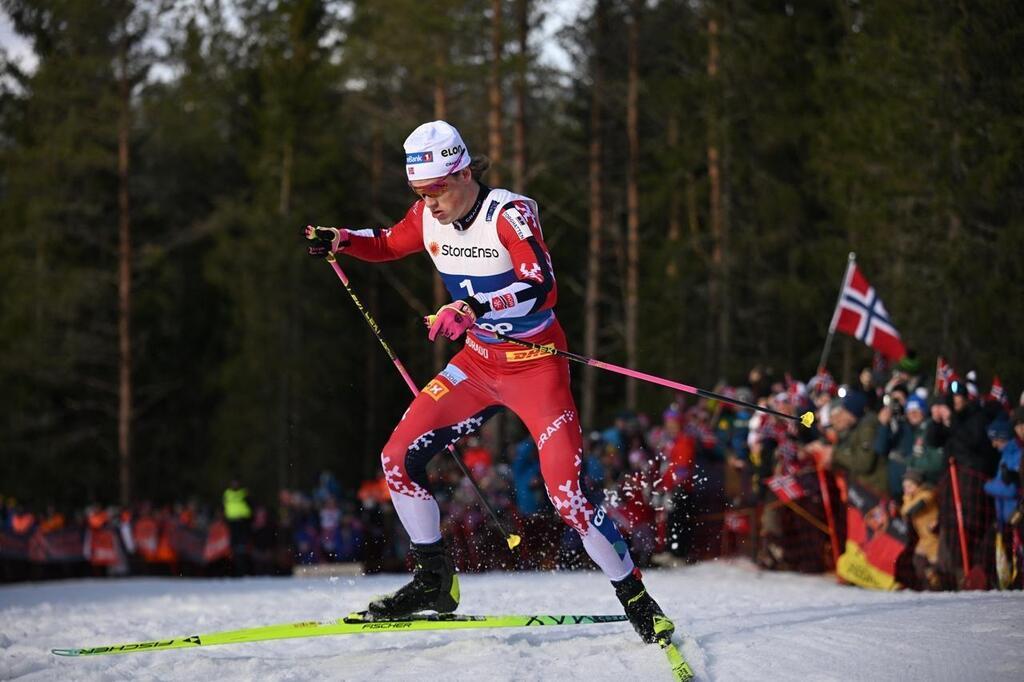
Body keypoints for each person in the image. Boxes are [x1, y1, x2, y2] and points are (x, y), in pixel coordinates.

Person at [304, 121, 672, 644]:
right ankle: (434, 582)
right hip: (477, 366)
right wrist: (341, 239)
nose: (429, 204)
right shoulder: (429, 218)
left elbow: (541, 285)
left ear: (463, 172)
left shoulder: (508, 214)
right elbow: (386, 243)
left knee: (567, 497)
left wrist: (474, 306)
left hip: (536, 367)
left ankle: (636, 596)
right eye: (418, 193)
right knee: (395, 458)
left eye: (436, 190)